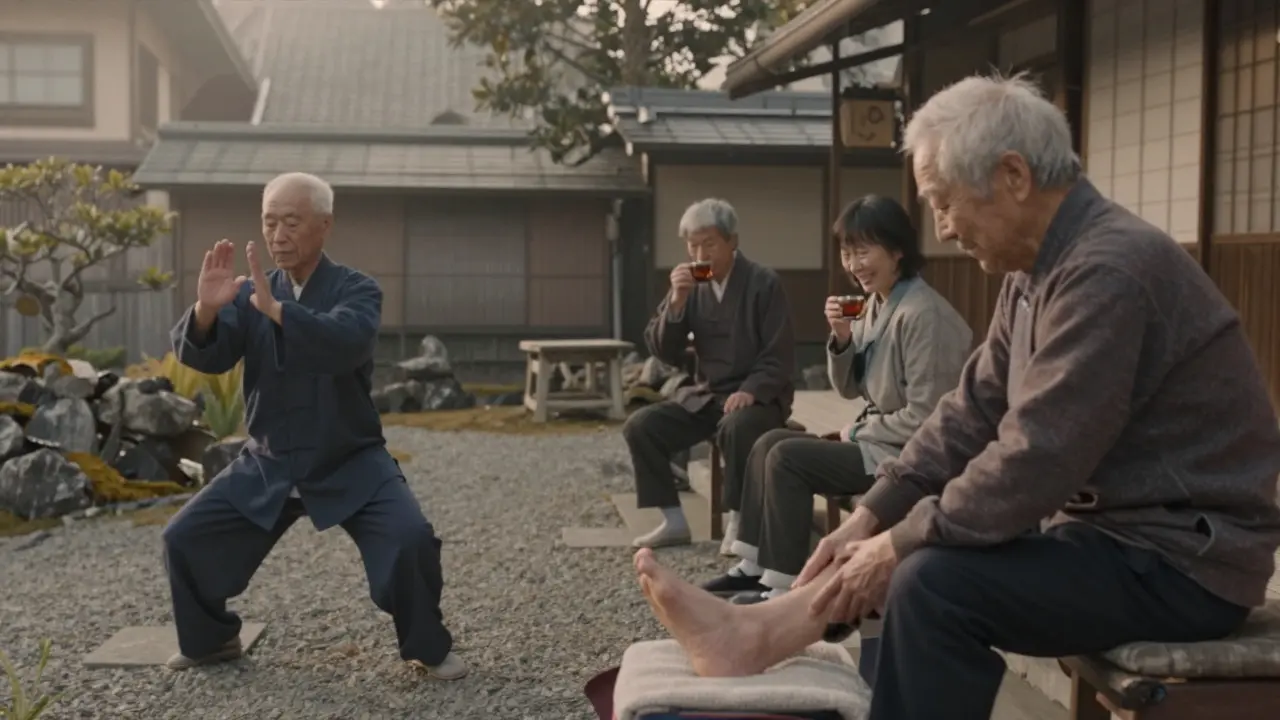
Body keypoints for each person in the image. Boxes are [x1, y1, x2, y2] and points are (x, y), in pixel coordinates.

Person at [632, 74, 1280, 720]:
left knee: (930, 582)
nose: (940, 229)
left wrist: (896, 543)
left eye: (943, 201)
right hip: (1114, 537)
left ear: (1014, 176)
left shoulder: (1106, 271)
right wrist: (872, 515)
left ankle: (764, 633)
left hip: (1184, 562)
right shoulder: (1041, 271)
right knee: (919, 555)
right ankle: (763, 630)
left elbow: (1037, 456)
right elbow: (969, 412)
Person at [161, 172, 467, 681]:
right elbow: (210, 357)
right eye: (269, 221)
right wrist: (207, 311)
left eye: (291, 222)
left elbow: (346, 341)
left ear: (324, 226)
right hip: (270, 458)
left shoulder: (357, 289)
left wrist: (279, 312)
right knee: (183, 538)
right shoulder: (246, 294)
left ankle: (427, 648)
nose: (278, 234)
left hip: (348, 457)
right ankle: (212, 639)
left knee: (410, 539)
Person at [703, 194, 970, 603]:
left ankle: (782, 584)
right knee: (767, 443)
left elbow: (926, 420)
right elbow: (848, 388)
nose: (854, 265)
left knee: (787, 458)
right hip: (877, 440)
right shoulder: (876, 304)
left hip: (908, 457)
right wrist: (843, 339)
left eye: (864, 251)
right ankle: (753, 565)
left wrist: (857, 429)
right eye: (848, 253)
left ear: (898, 250)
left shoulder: (923, 315)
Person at [624, 198, 796, 549]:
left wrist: (751, 389)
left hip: (760, 398)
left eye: (709, 244)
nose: (700, 254)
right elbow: (662, 351)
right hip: (709, 395)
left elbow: (779, 352)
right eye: (693, 246)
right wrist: (676, 302)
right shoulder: (691, 287)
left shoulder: (763, 282)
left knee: (737, 425)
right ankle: (673, 520)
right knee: (641, 426)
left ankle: (739, 520)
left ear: (732, 241)